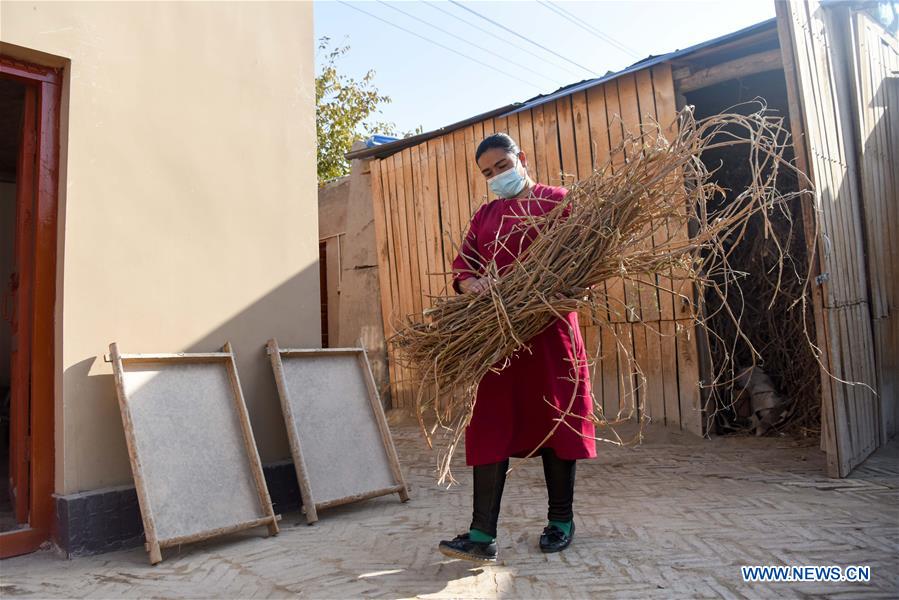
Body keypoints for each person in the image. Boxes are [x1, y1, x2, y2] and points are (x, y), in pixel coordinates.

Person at [437, 133, 597, 564]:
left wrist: (553, 291)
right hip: (498, 339)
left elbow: (588, 258)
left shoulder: (559, 201)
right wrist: (472, 284)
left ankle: (561, 522)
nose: (496, 177)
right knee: (489, 422)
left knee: (556, 421)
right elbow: (465, 265)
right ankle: (480, 533)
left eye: (502, 166)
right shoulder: (485, 216)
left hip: (551, 333)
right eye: (488, 173)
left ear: (521, 159)